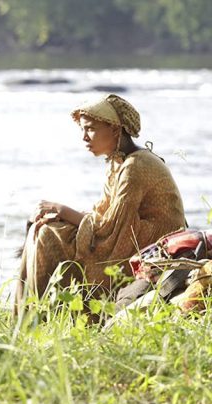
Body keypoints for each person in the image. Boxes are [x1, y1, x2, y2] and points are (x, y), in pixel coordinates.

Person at [15, 94, 186, 312]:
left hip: (148, 246)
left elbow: (111, 228)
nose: (84, 138)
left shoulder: (136, 166)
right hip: (127, 234)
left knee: (50, 236)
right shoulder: (118, 163)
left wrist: (62, 210)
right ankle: (30, 316)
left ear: (115, 129)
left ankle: (46, 316)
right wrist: (60, 216)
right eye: (82, 130)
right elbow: (104, 216)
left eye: (90, 129)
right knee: (43, 229)